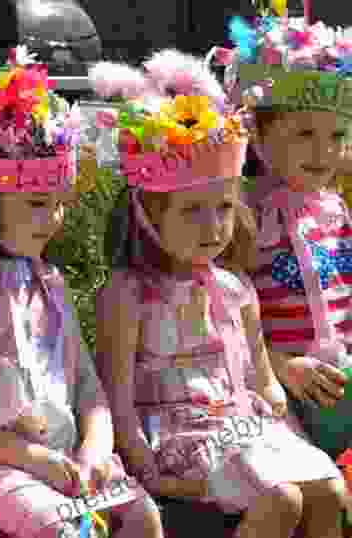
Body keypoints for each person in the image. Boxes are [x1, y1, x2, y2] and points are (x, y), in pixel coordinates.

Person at [92, 48, 347, 538]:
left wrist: (275, 403)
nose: (213, 227)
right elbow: (115, 394)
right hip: (175, 439)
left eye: (223, 209)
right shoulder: (130, 292)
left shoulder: (236, 288)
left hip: (244, 429)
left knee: (330, 492)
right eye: (192, 211)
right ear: (148, 214)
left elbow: (263, 380)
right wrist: (139, 461)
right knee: (281, 497)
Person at [0, 45, 164, 538]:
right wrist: (32, 458)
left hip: (68, 457)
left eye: (59, 204)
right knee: (65, 527)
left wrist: (94, 448)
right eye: (35, 204)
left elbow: (89, 389)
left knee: (140, 515)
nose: (53, 220)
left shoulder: (48, 283)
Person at [210, 6, 352, 459]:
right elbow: (224, 321)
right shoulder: (244, 215)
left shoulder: (335, 211)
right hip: (279, 390)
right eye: (306, 133)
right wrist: (280, 366)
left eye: (336, 136)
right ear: (260, 134)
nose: (324, 151)